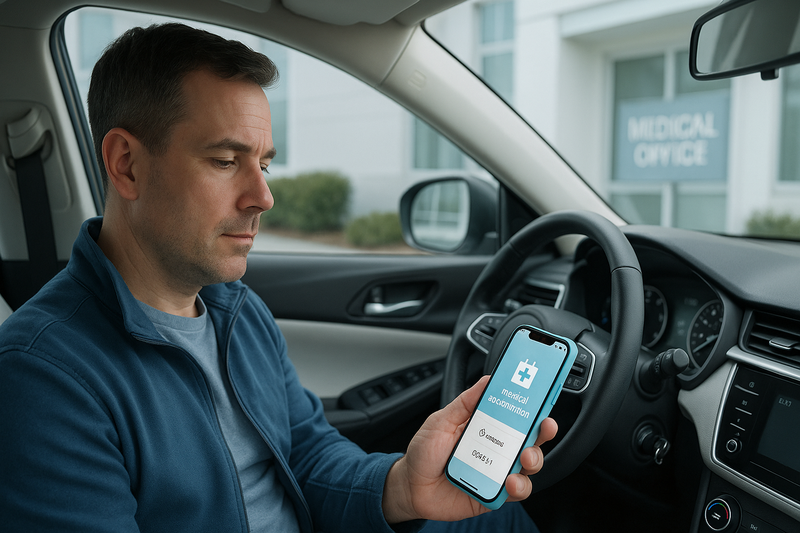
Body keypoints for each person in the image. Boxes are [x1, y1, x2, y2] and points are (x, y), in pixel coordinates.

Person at [0, 23, 557, 532]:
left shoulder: (237, 311)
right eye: (225, 161)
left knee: (495, 518)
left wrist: (402, 487)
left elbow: (306, 456)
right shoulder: (43, 377)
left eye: (263, 164)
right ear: (126, 164)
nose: (263, 197)